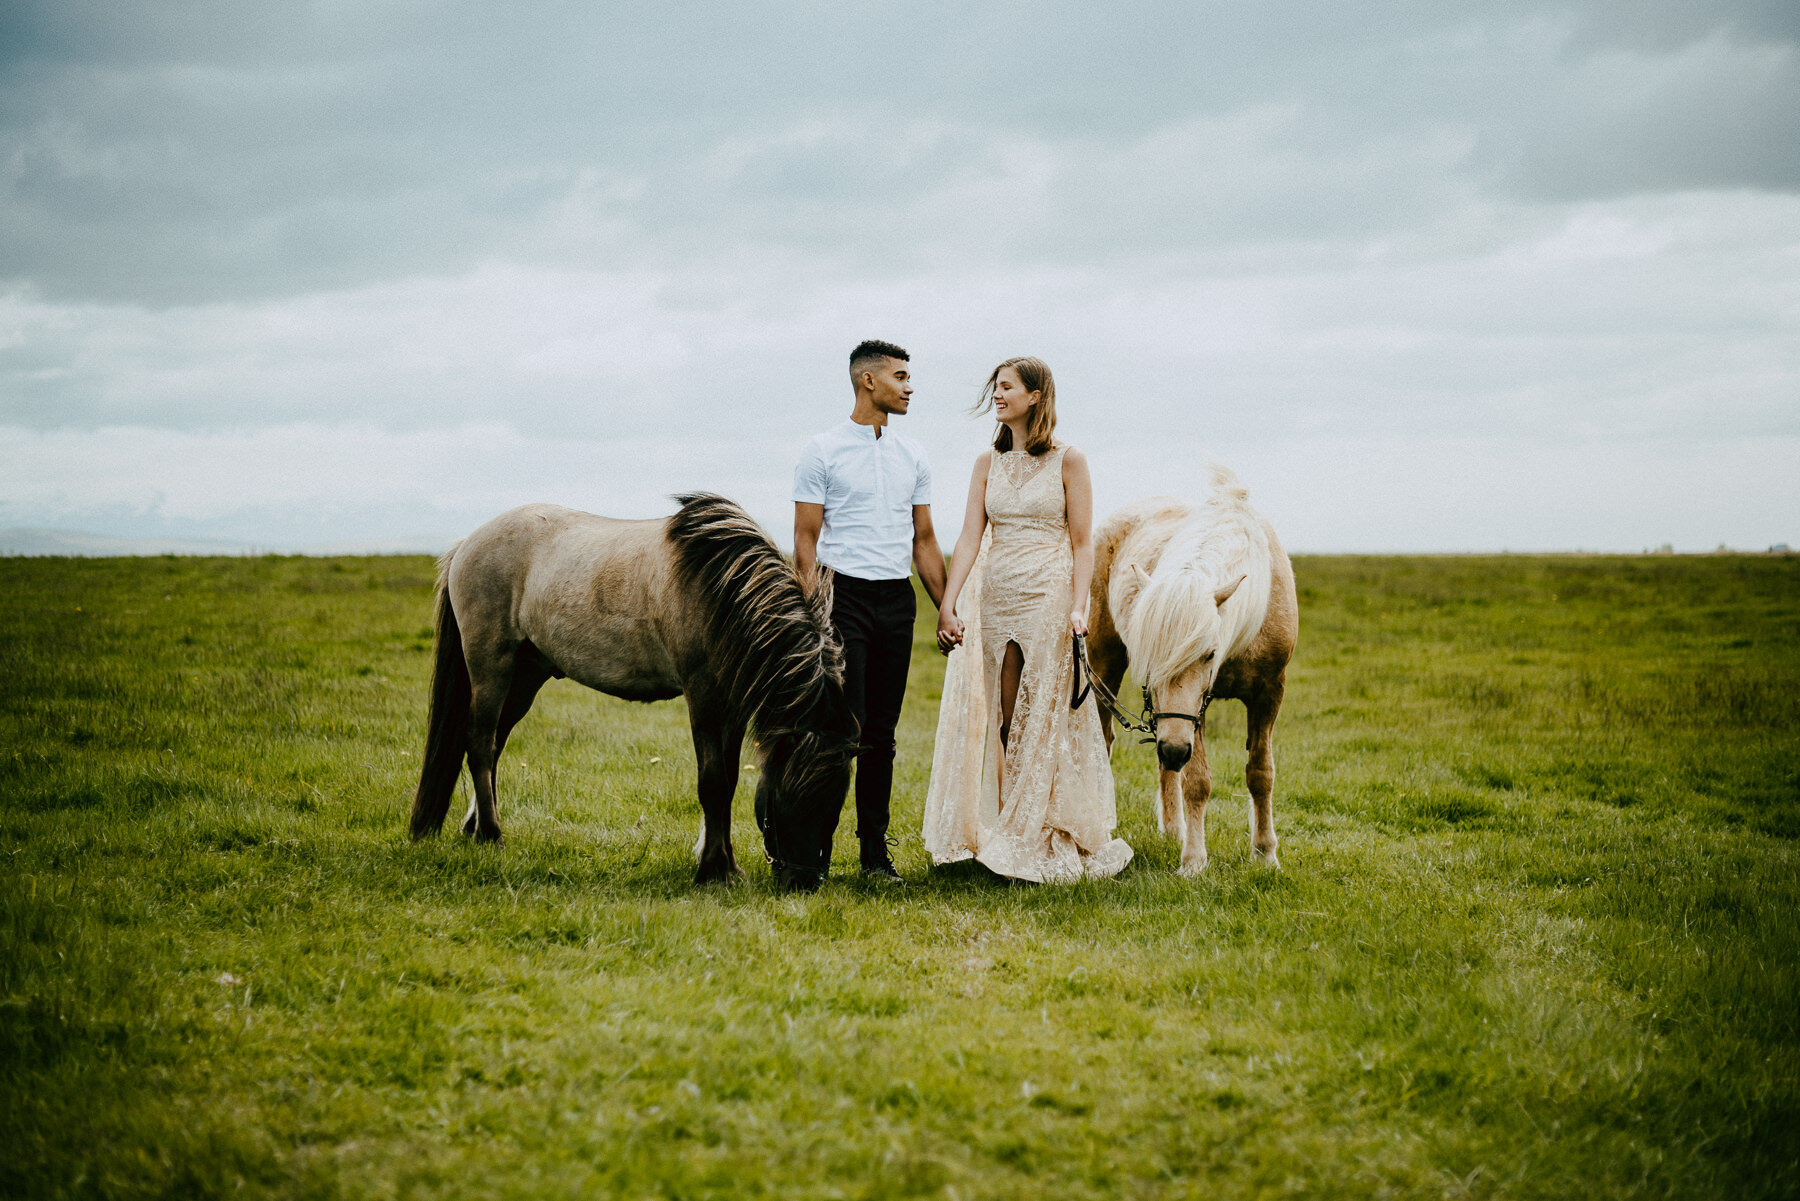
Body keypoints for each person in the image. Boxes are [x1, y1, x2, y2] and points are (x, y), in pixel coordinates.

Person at [921, 357, 1132, 882]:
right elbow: (971, 536)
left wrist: (1080, 606)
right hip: (994, 595)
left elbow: (1082, 542)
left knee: (1043, 713)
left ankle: (1036, 829)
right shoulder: (985, 464)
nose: (997, 393)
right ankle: (1001, 829)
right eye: (995, 386)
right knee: (1003, 711)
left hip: (1049, 594)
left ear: (1036, 396)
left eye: (1007, 386)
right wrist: (950, 600)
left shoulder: (1069, 460)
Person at [794, 339, 947, 881]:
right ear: (869, 382)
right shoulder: (822, 450)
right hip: (843, 599)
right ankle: (815, 850)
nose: (909, 387)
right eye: (901, 377)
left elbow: (925, 541)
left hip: (895, 601)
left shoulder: (914, 455)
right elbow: (806, 543)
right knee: (843, 729)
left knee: (883, 732)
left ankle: (873, 855)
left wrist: (945, 609)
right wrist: (814, 612)